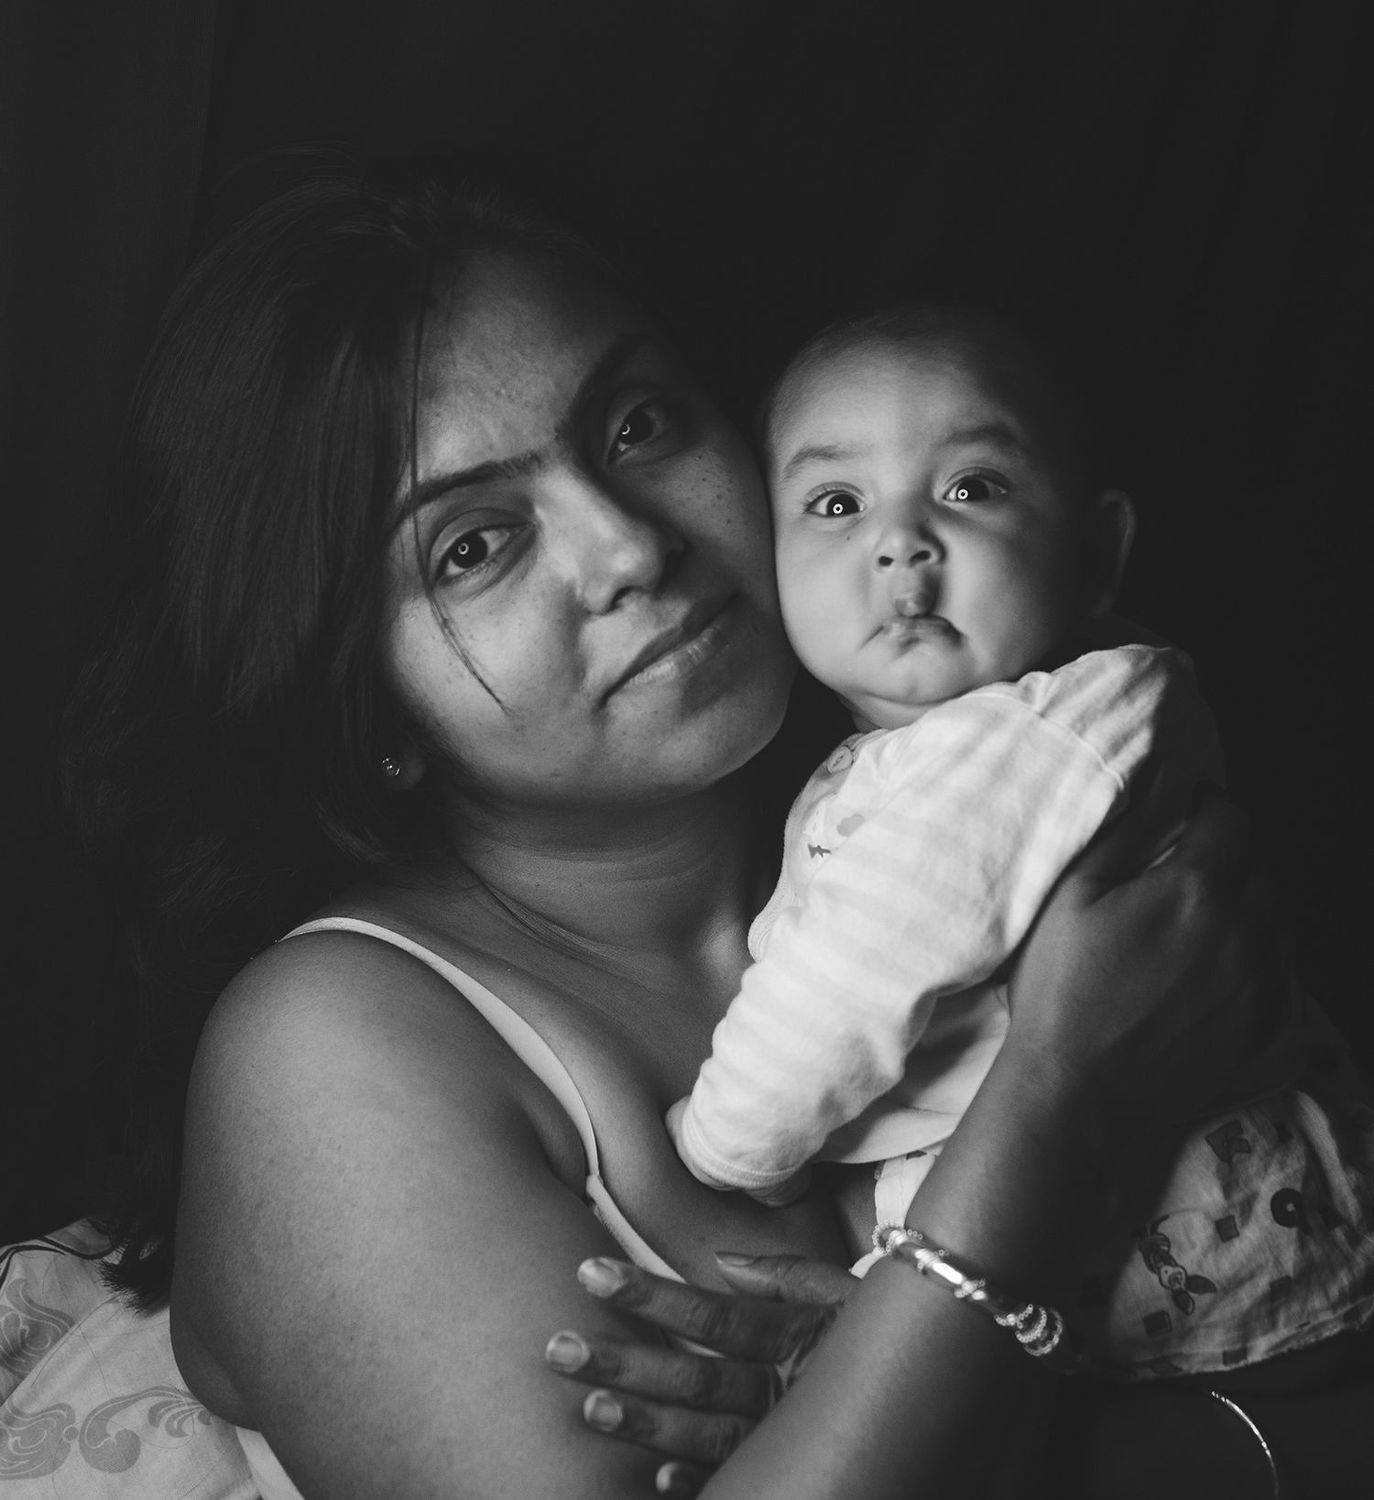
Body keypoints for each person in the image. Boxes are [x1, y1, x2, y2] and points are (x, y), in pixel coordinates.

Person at [32, 154, 1352, 1499]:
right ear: (356, 695)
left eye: (638, 426)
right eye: (473, 546)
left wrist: (962, 1408)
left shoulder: (967, 796)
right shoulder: (327, 1054)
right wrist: (1061, 1104)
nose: (626, 547)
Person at [664, 305, 1374, 1382]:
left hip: (1182, 1234)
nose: (900, 540)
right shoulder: (919, 752)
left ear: (1097, 556)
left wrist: (729, 1142)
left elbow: (844, 987)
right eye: (836, 504)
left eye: (972, 488)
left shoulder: (1035, 737)